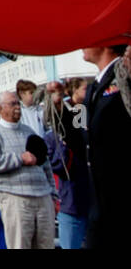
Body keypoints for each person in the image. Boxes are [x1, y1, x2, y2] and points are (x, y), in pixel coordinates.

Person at [0, 89, 54, 249]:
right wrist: (20, 158)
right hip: (16, 199)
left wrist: (53, 194)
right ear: (0, 109)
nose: (17, 107)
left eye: (18, 104)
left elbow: (45, 163)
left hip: (43, 197)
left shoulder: (29, 131)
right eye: (12, 104)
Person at [81, 41, 131, 250]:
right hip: (99, 200)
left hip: (122, 197)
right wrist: (60, 108)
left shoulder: (125, 75)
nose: (81, 45)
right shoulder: (93, 87)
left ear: (106, 44)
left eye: (88, 39)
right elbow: (81, 131)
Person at [42, 83, 90, 251]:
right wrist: (64, 145)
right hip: (70, 206)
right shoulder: (52, 138)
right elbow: (56, 166)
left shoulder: (86, 137)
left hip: (91, 204)